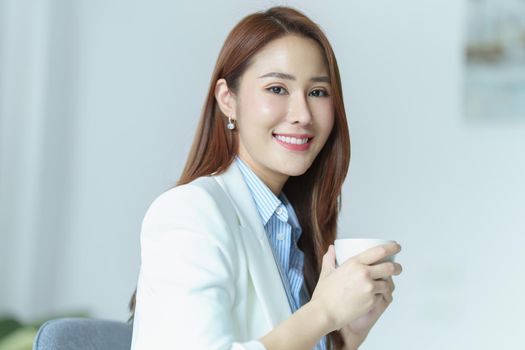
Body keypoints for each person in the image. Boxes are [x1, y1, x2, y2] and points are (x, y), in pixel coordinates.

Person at [129, 6, 403, 350]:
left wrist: (345, 339)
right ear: (228, 100)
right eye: (277, 89)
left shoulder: (288, 227)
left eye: (317, 92)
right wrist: (323, 313)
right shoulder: (188, 212)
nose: (302, 115)